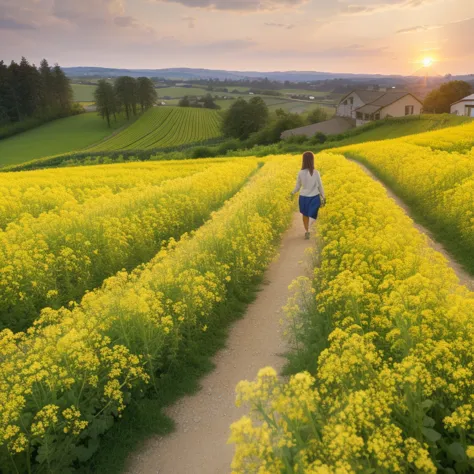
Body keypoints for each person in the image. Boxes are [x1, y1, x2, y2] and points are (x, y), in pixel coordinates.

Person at [290, 151, 326, 240]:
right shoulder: (316, 172)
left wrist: (292, 192)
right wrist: (323, 196)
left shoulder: (300, 172)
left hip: (303, 197)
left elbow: (298, 187)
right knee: (313, 215)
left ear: (304, 161)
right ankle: (308, 230)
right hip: (314, 197)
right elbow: (320, 185)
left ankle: (307, 230)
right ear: (312, 160)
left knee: (305, 215)